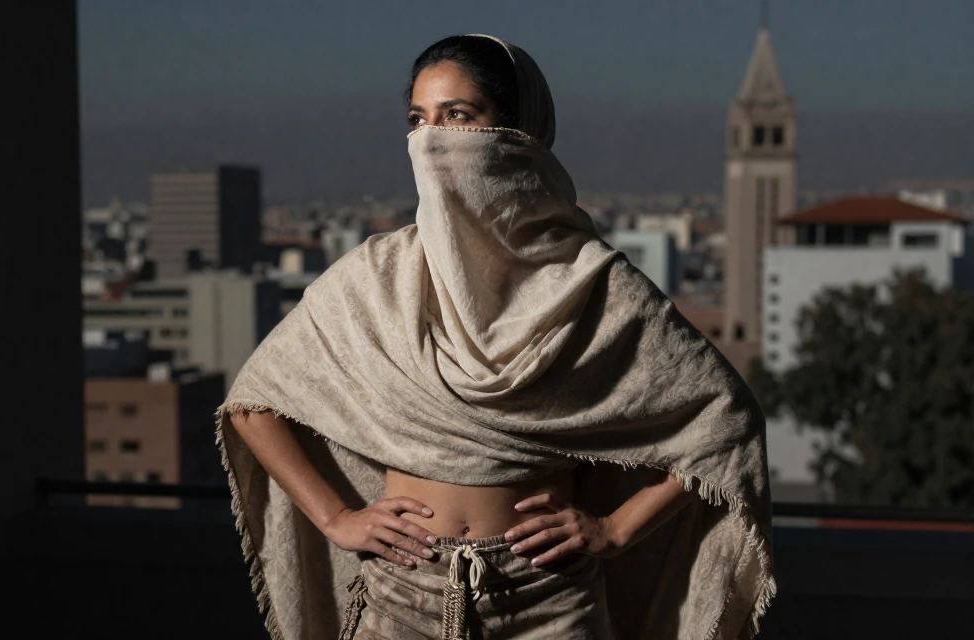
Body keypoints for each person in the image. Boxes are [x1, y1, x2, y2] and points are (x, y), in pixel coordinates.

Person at [218, 34, 774, 640]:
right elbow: (255, 404)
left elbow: (726, 422)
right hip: (401, 594)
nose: (431, 140)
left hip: (550, 602)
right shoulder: (378, 275)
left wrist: (616, 529)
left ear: (519, 134)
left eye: (458, 116)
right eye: (417, 120)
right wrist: (337, 517)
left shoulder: (594, 284)